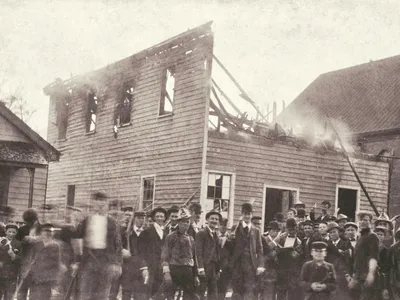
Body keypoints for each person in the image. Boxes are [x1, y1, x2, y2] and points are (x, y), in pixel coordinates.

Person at [73, 192, 123, 300]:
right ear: (93, 203)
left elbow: (118, 243)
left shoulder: (112, 222)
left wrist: (118, 264)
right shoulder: (86, 221)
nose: (100, 204)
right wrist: (77, 260)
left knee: (102, 293)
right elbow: (77, 239)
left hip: (106, 261)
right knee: (85, 293)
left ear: (107, 204)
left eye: (103, 201)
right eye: (97, 200)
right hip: (88, 260)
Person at [226, 203, 264, 300]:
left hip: (251, 265)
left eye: (249, 214)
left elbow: (259, 249)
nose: (247, 216)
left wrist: (260, 265)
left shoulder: (256, 231)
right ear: (241, 214)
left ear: (252, 215)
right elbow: (230, 247)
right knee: (237, 291)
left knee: (249, 291)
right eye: (245, 213)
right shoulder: (235, 228)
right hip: (237, 265)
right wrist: (229, 239)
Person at [161, 208, 199, 300]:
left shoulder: (191, 239)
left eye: (187, 222)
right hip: (174, 269)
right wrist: (166, 273)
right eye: (182, 222)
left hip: (188, 270)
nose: (185, 224)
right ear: (178, 223)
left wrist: (195, 275)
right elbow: (164, 256)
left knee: (189, 295)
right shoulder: (170, 237)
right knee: (170, 295)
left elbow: (194, 257)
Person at [22, 223, 65, 300]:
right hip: (35, 277)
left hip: (47, 278)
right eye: (46, 231)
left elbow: (57, 262)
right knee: (33, 297)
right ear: (41, 232)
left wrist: (55, 280)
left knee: (45, 297)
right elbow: (30, 259)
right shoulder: (36, 244)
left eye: (51, 231)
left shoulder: (55, 246)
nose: (48, 233)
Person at [347, 211, 380, 300]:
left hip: (366, 276)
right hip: (358, 276)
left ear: (370, 222)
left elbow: (374, 257)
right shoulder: (360, 237)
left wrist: (371, 274)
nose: (362, 222)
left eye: (365, 220)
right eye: (360, 220)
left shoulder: (373, 236)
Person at [139, 206, 168, 300]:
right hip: (150, 267)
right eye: (158, 216)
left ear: (164, 218)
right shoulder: (146, 232)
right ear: (154, 218)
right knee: (147, 292)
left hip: (161, 267)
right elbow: (141, 251)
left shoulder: (166, 233)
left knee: (160, 293)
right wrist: (144, 267)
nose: (160, 218)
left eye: (162, 216)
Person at [119, 211, 148, 300]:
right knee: (126, 293)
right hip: (127, 267)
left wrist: (145, 267)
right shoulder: (126, 232)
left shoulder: (147, 233)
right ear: (134, 219)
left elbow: (149, 252)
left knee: (140, 295)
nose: (141, 220)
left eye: (143, 218)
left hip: (142, 268)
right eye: (139, 218)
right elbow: (117, 246)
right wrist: (122, 250)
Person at [273, 218, 303, 300]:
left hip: (292, 272)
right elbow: (275, 251)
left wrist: (295, 254)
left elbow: (299, 256)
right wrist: (279, 251)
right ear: (287, 229)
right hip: (281, 270)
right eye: (290, 230)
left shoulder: (299, 242)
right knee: (280, 293)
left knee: (291, 294)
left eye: (293, 229)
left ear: (296, 229)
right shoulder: (281, 239)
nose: (292, 231)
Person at [196, 210, 222, 300]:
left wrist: (218, 269)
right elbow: (198, 251)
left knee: (213, 294)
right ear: (207, 219)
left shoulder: (216, 234)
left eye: (216, 219)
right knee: (200, 293)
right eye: (212, 218)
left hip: (213, 268)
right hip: (204, 267)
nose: (214, 221)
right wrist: (200, 268)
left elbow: (218, 253)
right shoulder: (201, 233)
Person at [16, 208, 41, 300]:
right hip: (25, 261)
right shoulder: (22, 230)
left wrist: (35, 239)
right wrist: (23, 241)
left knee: (35, 289)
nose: (29, 224)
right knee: (22, 287)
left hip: (38, 262)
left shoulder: (42, 229)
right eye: (27, 222)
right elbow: (17, 245)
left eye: (31, 221)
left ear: (35, 219)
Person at [326, 222, 351, 300]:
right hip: (330, 275)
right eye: (330, 232)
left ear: (339, 232)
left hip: (341, 275)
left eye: (334, 232)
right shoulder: (327, 245)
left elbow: (347, 259)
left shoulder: (345, 243)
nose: (332, 234)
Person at [0, 223, 21, 300]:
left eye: (13, 232)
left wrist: (13, 255)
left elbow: (21, 258)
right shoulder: (0, 240)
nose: (11, 234)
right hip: (0, 272)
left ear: (16, 233)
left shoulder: (18, 244)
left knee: (9, 296)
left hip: (11, 274)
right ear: (5, 232)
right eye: (9, 231)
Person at [217, 218, 231, 300]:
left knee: (223, 289)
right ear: (218, 226)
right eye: (221, 225)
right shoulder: (213, 236)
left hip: (226, 268)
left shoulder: (231, 237)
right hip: (215, 267)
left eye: (225, 225)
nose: (223, 227)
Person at [374, 226, 390, 300]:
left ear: (384, 237)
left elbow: (387, 266)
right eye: (377, 234)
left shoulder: (386, 251)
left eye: (381, 234)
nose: (379, 236)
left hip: (381, 278)